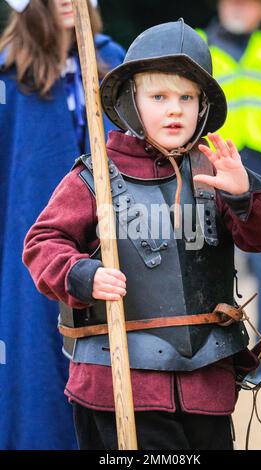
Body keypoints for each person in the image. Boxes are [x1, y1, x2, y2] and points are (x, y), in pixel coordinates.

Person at [23, 19, 261, 450]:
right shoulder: (95, 177)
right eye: (159, 96)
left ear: (202, 106)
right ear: (131, 101)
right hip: (117, 383)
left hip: (206, 385)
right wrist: (82, 275)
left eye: (187, 97)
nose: (175, 109)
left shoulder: (215, 171)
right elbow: (42, 245)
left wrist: (244, 196)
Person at [0, 0, 125, 450]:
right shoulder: (8, 76)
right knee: (36, 363)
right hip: (31, 245)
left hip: (114, 246)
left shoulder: (119, 63)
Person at [196, 0, 261, 347]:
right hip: (205, 175)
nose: (239, 6)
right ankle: (213, 349)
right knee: (207, 261)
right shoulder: (197, 45)